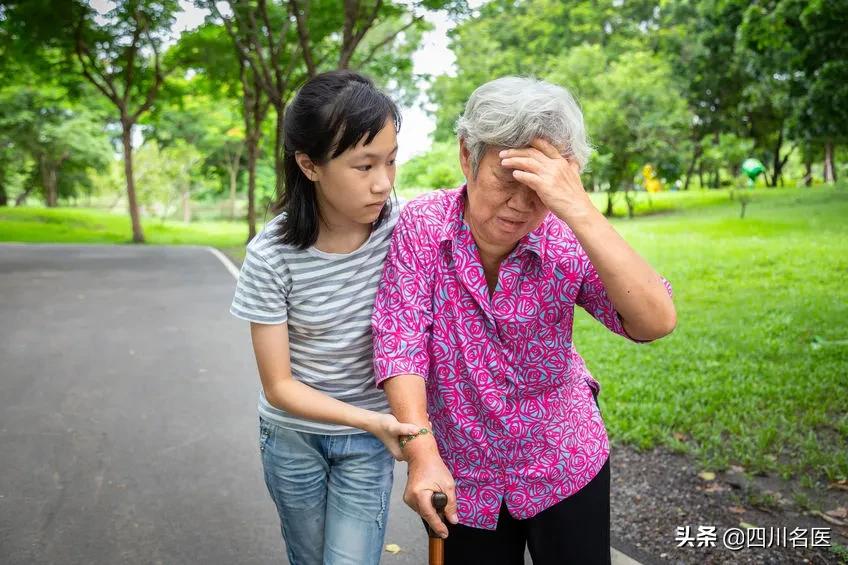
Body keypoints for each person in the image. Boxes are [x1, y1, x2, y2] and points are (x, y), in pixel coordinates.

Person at [372, 76, 677, 564]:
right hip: (462, 475)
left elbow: (653, 321)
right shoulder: (423, 225)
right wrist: (421, 453)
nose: (520, 204)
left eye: (540, 186)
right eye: (506, 179)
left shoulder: (564, 232)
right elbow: (401, 340)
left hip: (564, 460)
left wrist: (578, 208)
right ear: (467, 156)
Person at [229, 70, 419, 565]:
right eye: (363, 166)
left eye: (392, 161)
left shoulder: (404, 230)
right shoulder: (271, 255)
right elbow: (279, 386)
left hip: (367, 443)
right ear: (309, 165)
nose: (383, 183)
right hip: (293, 438)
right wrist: (373, 420)